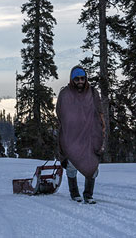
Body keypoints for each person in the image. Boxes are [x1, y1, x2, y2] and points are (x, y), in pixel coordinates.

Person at [56, 65, 106, 204]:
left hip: (90, 133)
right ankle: (74, 193)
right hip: (72, 135)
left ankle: (88, 195)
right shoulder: (65, 93)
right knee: (72, 165)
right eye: (77, 79)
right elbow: (60, 113)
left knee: (92, 166)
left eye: (82, 78)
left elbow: (99, 112)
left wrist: (100, 130)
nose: (80, 81)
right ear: (72, 79)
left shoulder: (92, 92)